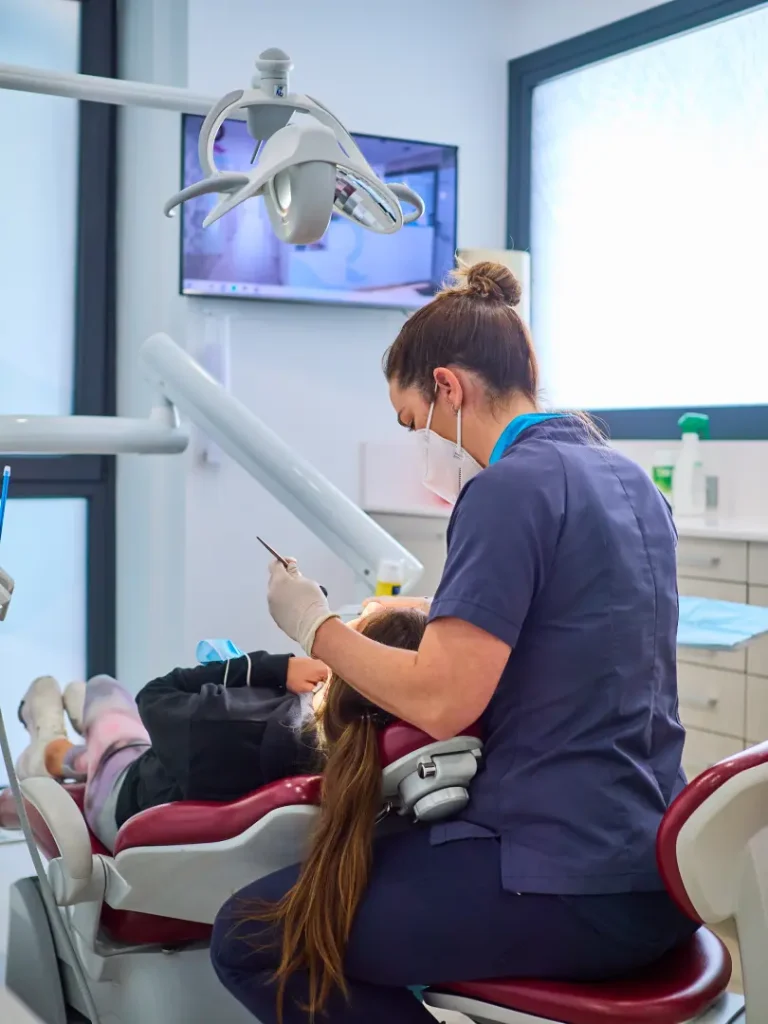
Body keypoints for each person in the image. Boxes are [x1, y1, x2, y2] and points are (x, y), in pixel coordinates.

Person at [211, 261, 698, 1024]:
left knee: (250, 935)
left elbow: (442, 701)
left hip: (563, 879)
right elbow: (577, 627)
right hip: (662, 870)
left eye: (414, 422)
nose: (423, 442)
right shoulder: (631, 481)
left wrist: (316, 628)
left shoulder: (505, 491)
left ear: (447, 387)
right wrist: (441, 612)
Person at [15, 645, 328, 851]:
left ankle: (50, 750)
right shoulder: (335, 764)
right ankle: (81, 747)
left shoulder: (238, 723)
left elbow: (154, 695)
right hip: (180, 790)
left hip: (122, 805)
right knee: (102, 715)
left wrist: (271, 668)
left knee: (101, 688)